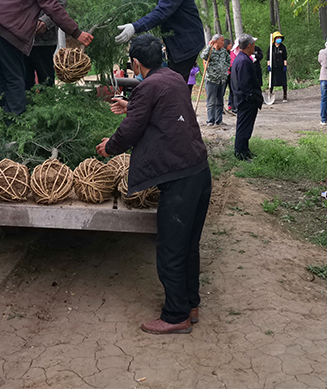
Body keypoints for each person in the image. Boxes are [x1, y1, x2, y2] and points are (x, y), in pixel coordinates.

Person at [96, 35, 211, 335]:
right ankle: (191, 305)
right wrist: (132, 103)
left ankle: (175, 316)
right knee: (188, 246)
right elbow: (159, 105)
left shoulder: (147, 87)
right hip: (199, 171)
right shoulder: (173, 77)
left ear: (135, 62)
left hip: (179, 178)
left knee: (170, 248)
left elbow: (131, 130)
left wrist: (110, 147)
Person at [230, 34, 263, 161]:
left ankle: (245, 150)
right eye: (253, 44)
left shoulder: (241, 58)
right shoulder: (243, 61)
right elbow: (245, 83)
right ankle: (240, 153)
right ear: (249, 45)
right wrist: (251, 97)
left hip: (242, 100)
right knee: (243, 128)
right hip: (245, 101)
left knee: (246, 127)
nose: (254, 46)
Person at [200, 34, 230, 127]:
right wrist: (209, 45)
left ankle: (219, 120)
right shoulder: (210, 51)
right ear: (216, 41)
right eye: (221, 41)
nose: (223, 43)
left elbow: (228, 60)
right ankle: (210, 121)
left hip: (221, 79)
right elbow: (203, 56)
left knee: (220, 101)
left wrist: (225, 70)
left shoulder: (224, 51)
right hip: (211, 80)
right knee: (211, 101)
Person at [268, 31, 288, 102]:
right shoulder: (271, 47)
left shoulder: (283, 47)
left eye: (280, 38)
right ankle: (270, 95)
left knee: (283, 82)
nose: (279, 39)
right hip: (273, 67)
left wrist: (285, 66)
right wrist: (269, 65)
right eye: (277, 38)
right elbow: (268, 57)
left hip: (281, 67)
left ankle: (285, 96)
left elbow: (285, 57)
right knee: (272, 81)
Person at [318, 40, 327, 125]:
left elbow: (320, 61)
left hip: (324, 77)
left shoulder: (322, 52)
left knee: (324, 99)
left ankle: (323, 119)